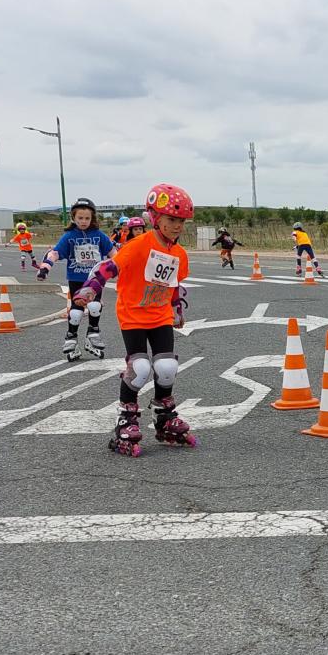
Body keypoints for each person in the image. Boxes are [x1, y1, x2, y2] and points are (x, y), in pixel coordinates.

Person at [72, 183, 195, 455]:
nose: (177, 226)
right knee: (139, 368)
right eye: (172, 219)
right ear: (155, 218)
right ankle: (125, 422)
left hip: (160, 313)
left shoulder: (179, 254)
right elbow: (108, 267)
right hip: (133, 314)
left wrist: (177, 309)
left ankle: (164, 416)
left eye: (181, 221)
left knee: (166, 367)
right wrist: (90, 288)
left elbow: (173, 283)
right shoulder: (139, 245)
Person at [37, 198, 116, 361]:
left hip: (95, 279)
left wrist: (124, 267)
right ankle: (71, 337)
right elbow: (55, 253)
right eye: (80, 218)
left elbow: (114, 254)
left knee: (95, 305)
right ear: (74, 217)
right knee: (76, 310)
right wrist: (45, 267)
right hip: (76, 277)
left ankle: (93, 332)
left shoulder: (99, 236)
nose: (84, 221)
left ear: (92, 218)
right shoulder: (69, 237)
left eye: (87, 218)